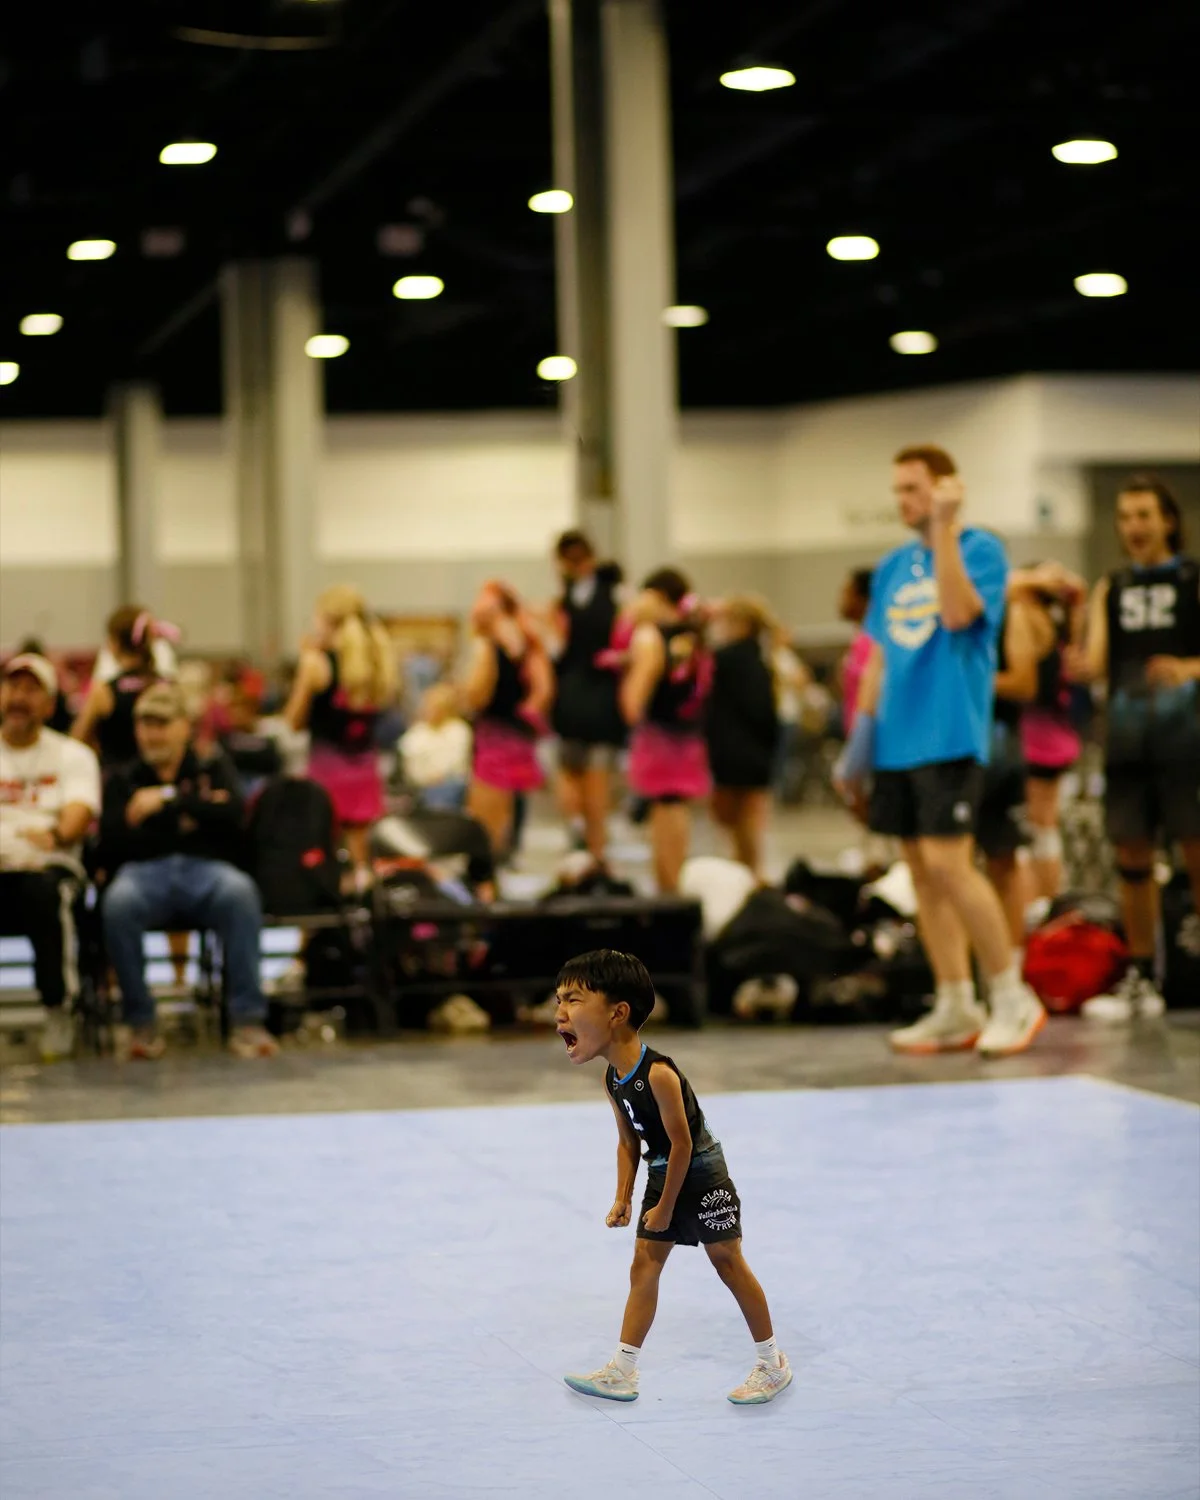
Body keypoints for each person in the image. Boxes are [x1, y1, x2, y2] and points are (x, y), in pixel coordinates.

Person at [835, 444, 1046, 1057]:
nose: (905, 501)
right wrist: (859, 747)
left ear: (947, 489)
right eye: (898, 490)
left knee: (954, 866)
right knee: (923, 876)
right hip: (896, 743)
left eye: (915, 489)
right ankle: (955, 1000)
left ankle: (1011, 994)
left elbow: (957, 616)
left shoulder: (981, 550)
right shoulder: (892, 567)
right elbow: (877, 657)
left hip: (950, 733)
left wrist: (946, 528)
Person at [556, 949, 791, 1406]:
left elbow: (682, 1144)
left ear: (618, 1013)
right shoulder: (613, 1078)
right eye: (558, 1001)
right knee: (644, 1262)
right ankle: (622, 1370)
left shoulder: (659, 1074)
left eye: (573, 1000)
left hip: (701, 1173)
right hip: (664, 1170)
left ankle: (772, 1362)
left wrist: (664, 1207)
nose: (559, 1013)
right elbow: (629, 1143)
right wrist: (623, 1197)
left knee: (726, 1260)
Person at [1066, 475, 1200, 1018]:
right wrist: (1074, 659)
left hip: (1187, 738)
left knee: (1195, 851)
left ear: (1167, 520)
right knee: (1131, 856)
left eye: (1144, 515)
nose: (1134, 527)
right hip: (1126, 740)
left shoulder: (1192, 578)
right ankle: (1142, 975)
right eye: (1125, 517)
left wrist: (1189, 669)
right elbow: (1094, 663)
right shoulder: (1112, 586)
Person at [99, 682, 278, 1060]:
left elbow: (234, 819)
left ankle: (247, 1020)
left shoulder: (212, 767)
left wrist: (167, 801)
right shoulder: (123, 778)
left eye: (162, 723)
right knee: (117, 902)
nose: (152, 733)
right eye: (145, 724)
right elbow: (113, 840)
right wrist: (194, 812)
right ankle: (140, 1023)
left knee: (240, 892)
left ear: (184, 727)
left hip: (206, 873)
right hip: (144, 874)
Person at [0, 653, 102, 1060]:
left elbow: (73, 823)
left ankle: (60, 1008)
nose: (19, 698)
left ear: (49, 704)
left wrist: (51, 835)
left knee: (46, 894)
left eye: (31, 690)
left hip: (49, 869)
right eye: (12, 687)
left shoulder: (72, 755)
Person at [284, 585, 398, 883]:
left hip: (327, 773)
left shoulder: (316, 663)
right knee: (361, 857)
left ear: (325, 619)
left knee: (324, 854)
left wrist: (304, 662)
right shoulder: (375, 663)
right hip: (365, 771)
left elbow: (293, 721)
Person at [621, 569, 713, 894]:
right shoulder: (694, 633)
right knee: (675, 808)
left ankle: (669, 887)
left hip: (660, 737)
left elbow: (633, 700)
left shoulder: (650, 636)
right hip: (689, 734)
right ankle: (672, 884)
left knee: (665, 812)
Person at [1010, 563, 1088, 900]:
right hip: (1056, 735)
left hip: (1038, 739)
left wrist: (1036, 578)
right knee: (1045, 826)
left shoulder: (1030, 617)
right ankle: (1045, 900)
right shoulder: (1061, 620)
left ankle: (1040, 903)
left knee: (1035, 829)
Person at [460, 580, 554, 857]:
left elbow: (476, 696)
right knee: (507, 815)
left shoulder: (489, 644)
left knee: (484, 823)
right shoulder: (528, 642)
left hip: (494, 738)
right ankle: (500, 865)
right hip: (517, 736)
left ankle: (486, 880)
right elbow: (543, 692)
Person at [549, 531, 627, 861]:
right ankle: (589, 850)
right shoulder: (568, 599)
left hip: (593, 700)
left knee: (591, 784)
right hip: (578, 700)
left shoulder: (613, 596)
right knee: (580, 782)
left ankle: (594, 851)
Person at [978, 601, 1038, 958]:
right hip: (946, 753)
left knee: (1003, 861)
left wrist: (969, 679)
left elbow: (1023, 682)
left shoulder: (1009, 613)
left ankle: (1012, 963)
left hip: (998, 755)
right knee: (947, 868)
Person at [706, 596, 780, 880]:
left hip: (735, 752)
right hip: (753, 751)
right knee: (746, 825)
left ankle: (747, 877)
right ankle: (748, 873)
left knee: (739, 824)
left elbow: (757, 710)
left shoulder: (730, 660)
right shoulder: (758, 658)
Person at [71, 605, 166, 773]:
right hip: (158, 777)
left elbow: (76, 740)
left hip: (117, 783)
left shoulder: (103, 691)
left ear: (114, 643)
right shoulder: (166, 685)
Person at [399, 683, 472, 811]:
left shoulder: (458, 730)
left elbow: (453, 765)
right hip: (419, 785)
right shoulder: (418, 731)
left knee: (442, 792)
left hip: (450, 784)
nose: (427, 710)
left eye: (432, 707)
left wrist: (435, 777)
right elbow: (408, 760)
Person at [838, 568, 875, 735]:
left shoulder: (873, 640)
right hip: (854, 732)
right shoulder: (859, 638)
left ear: (863, 599)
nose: (841, 599)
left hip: (868, 737)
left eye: (846, 592)